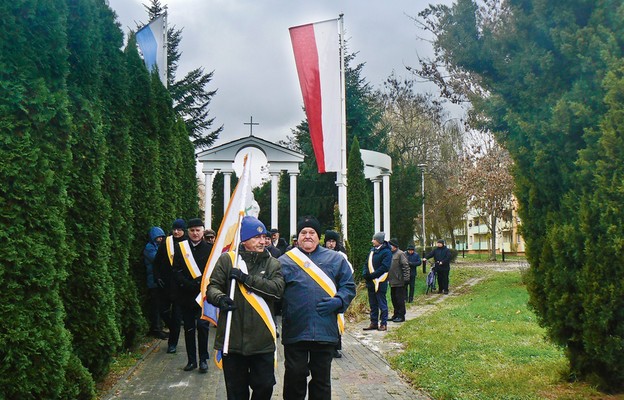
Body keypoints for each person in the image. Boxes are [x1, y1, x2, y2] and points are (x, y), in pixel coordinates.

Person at [206, 216, 284, 400]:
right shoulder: (227, 260)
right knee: (236, 393)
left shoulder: (272, 263)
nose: (262, 241)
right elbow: (212, 287)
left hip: (262, 340)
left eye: (264, 237)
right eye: (256, 237)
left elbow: (277, 291)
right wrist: (220, 298)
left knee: (265, 387)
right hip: (233, 339)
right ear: (244, 239)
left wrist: (246, 279)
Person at [279, 216, 355, 400]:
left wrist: (339, 300)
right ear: (297, 237)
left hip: (325, 329)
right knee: (294, 377)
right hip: (296, 330)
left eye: (311, 232)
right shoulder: (284, 261)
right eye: (303, 232)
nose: (307, 236)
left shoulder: (335, 259)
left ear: (318, 236)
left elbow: (348, 285)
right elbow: (273, 289)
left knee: (321, 381)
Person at [171, 218, 212, 373]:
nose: (195, 233)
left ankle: (203, 360)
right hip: (186, 295)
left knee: (202, 327)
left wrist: (200, 284)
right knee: (188, 328)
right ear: (188, 232)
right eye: (192, 230)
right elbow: (176, 270)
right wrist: (187, 284)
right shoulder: (181, 248)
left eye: (198, 230)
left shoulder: (209, 249)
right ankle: (191, 360)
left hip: (203, 295)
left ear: (203, 231)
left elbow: (211, 271)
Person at [153, 218, 186, 354]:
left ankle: (172, 343)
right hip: (165, 284)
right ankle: (173, 328)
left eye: (179, 229)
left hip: (179, 286)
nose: (176, 232)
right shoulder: (166, 242)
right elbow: (156, 262)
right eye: (174, 229)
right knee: (163, 311)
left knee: (177, 315)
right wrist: (158, 277)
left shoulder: (187, 244)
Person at [323, 229, 352, 359]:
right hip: (324, 291)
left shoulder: (341, 256)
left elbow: (348, 274)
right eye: (328, 241)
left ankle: (335, 346)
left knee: (337, 320)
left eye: (333, 241)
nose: (331, 244)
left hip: (337, 292)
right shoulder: (321, 255)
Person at [362, 232, 392, 331]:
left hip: (380, 281)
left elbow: (385, 267)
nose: (372, 241)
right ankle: (373, 322)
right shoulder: (372, 251)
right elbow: (366, 263)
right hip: (371, 282)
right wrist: (365, 274)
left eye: (374, 239)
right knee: (373, 304)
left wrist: (373, 275)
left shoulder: (387, 252)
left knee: (381, 303)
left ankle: (383, 323)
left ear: (379, 241)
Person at [144, 226, 167, 339]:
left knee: (160, 306)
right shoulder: (150, 248)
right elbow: (157, 260)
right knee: (156, 306)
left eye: (162, 237)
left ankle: (160, 327)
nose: (160, 239)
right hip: (153, 281)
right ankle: (156, 329)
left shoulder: (158, 247)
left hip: (159, 281)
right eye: (158, 237)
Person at [387, 238, 410, 323]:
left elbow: (406, 266)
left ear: (395, 246)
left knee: (399, 299)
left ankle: (401, 315)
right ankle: (395, 314)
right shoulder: (389, 254)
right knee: (394, 299)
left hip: (399, 281)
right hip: (392, 281)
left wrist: (406, 278)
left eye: (391, 245)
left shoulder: (401, 254)